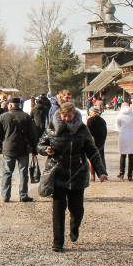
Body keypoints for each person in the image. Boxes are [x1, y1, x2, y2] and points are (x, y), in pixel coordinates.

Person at [38, 102, 107, 251]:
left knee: (77, 209)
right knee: (58, 210)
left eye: (69, 116)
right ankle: (58, 243)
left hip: (77, 173)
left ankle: (74, 229)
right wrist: (45, 149)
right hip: (57, 173)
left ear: (74, 115)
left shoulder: (82, 129)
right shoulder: (51, 127)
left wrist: (101, 171)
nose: (66, 119)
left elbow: (92, 151)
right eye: (64, 116)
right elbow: (40, 144)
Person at [0, 97, 37, 203]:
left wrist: (3, 142)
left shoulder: (3, 117)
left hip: (8, 148)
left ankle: (6, 195)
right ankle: (23, 195)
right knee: (23, 173)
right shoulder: (26, 117)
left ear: (10, 106)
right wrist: (34, 148)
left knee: (7, 173)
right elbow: (33, 135)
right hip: (23, 149)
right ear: (19, 105)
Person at [116, 102, 133, 180]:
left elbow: (118, 126)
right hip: (132, 136)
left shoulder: (120, 115)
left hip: (123, 136)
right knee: (131, 156)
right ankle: (130, 174)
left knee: (123, 155)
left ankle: (121, 173)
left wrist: (121, 130)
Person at [86, 106, 107, 181]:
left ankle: (92, 176)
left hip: (92, 142)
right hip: (100, 141)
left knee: (92, 158)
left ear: (92, 112)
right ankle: (103, 174)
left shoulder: (90, 120)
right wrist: (103, 140)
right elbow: (105, 132)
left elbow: (88, 132)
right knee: (101, 158)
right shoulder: (102, 121)